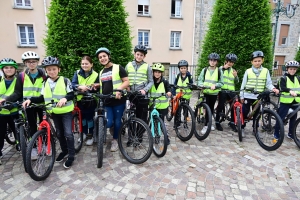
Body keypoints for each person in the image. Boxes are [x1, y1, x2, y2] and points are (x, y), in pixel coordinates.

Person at [22, 56, 76, 169]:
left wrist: (65, 98)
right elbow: (42, 97)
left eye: (54, 69)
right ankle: (64, 151)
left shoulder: (65, 80)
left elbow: (71, 94)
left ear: (59, 70)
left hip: (65, 111)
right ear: (46, 71)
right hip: (54, 112)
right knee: (59, 133)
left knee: (68, 133)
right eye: (49, 69)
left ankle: (71, 155)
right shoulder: (45, 82)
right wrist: (31, 99)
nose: (52, 71)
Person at [0, 51, 46, 159]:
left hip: (42, 104)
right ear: (25, 63)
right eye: (29, 62)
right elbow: (17, 93)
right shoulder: (22, 76)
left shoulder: (44, 75)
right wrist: (5, 99)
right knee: (31, 126)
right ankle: (34, 147)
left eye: (34, 61)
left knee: (43, 124)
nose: (31, 64)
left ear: (37, 62)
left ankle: (44, 144)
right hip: (28, 105)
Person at [94, 47, 129, 152]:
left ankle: (115, 140)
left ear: (109, 56)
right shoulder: (101, 72)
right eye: (100, 57)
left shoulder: (118, 68)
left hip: (118, 100)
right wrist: (95, 86)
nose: (102, 58)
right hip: (107, 101)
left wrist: (119, 89)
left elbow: (126, 81)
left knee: (117, 121)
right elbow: (103, 85)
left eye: (104, 56)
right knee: (109, 123)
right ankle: (114, 129)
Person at [240, 50, 279, 137]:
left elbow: (268, 83)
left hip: (258, 97)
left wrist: (273, 88)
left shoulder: (265, 71)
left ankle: (255, 129)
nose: (257, 63)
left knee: (257, 114)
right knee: (244, 111)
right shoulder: (248, 71)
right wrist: (241, 95)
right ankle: (242, 127)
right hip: (247, 95)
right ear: (252, 62)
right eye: (255, 61)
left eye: (259, 61)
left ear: (262, 61)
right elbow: (243, 84)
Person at [72, 56, 99, 146]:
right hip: (80, 100)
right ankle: (83, 133)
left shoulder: (96, 74)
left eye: (86, 63)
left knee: (90, 119)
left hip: (91, 100)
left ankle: (90, 135)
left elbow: (98, 88)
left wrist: (91, 89)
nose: (84, 65)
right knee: (82, 118)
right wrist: (79, 87)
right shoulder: (77, 73)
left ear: (91, 64)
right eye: (83, 64)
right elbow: (73, 84)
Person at [125, 44, 153, 123]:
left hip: (141, 94)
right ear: (134, 54)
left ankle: (139, 134)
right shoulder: (128, 65)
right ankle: (131, 133)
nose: (139, 56)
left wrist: (145, 90)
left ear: (144, 56)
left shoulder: (147, 67)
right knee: (130, 115)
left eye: (141, 55)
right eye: (137, 54)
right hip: (130, 93)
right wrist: (127, 87)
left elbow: (151, 81)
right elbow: (124, 79)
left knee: (142, 116)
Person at [198, 53, 224, 134]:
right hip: (206, 92)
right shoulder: (205, 70)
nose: (212, 62)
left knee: (211, 108)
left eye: (214, 60)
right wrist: (201, 85)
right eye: (211, 60)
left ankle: (209, 123)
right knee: (207, 108)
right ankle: (206, 125)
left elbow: (221, 82)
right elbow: (200, 80)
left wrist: (215, 85)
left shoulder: (219, 71)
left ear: (217, 62)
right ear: (209, 61)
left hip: (214, 93)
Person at [274, 61, 300, 140]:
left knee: (293, 118)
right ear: (287, 69)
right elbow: (282, 88)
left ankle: (291, 133)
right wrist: (290, 91)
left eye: (294, 69)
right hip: (285, 101)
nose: (292, 70)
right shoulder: (283, 78)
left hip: (295, 101)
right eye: (291, 69)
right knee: (281, 118)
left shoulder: (298, 78)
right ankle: (276, 132)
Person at [0, 58, 19, 164]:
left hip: (14, 111)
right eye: (6, 68)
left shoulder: (18, 81)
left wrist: (15, 103)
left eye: (11, 67)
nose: (9, 69)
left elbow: (20, 94)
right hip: (1, 112)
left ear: (15, 69)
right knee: (0, 133)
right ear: (3, 70)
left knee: (17, 130)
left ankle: (19, 144)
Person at [215, 53, 239, 131]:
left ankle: (232, 123)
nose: (231, 63)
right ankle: (217, 122)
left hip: (231, 91)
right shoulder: (221, 69)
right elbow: (216, 75)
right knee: (220, 105)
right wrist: (223, 68)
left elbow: (237, 82)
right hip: (223, 90)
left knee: (233, 107)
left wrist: (236, 77)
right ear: (226, 61)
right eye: (229, 61)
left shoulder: (233, 70)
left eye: (232, 62)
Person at [149, 63, 171, 144]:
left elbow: (169, 89)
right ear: (153, 72)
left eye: (159, 72)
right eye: (155, 72)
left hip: (162, 106)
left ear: (161, 73)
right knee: (153, 121)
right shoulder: (151, 81)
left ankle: (166, 137)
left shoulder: (165, 81)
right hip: (153, 105)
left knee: (162, 122)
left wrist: (168, 92)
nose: (157, 74)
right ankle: (155, 134)